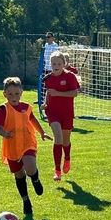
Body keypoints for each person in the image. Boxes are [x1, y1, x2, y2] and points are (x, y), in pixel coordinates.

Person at [0, 77, 51, 214]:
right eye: (10, 94)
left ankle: (35, 179)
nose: (14, 97)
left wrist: (42, 133)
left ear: (21, 92)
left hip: (28, 143)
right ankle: (26, 200)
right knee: (19, 175)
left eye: (16, 94)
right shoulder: (3, 109)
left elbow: (33, 119)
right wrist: (4, 133)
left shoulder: (26, 107)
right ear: (4, 94)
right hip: (12, 147)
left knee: (30, 166)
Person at [43, 51, 80, 182]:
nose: (56, 65)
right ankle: (57, 170)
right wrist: (45, 104)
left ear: (64, 64)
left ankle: (67, 158)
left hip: (67, 113)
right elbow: (49, 93)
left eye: (59, 63)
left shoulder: (70, 76)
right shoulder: (47, 78)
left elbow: (75, 93)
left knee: (65, 141)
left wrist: (58, 93)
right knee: (57, 138)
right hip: (53, 112)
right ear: (50, 64)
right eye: (53, 63)